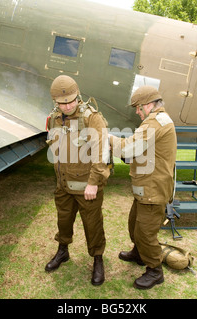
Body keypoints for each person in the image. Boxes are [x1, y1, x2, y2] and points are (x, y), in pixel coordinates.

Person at [45, 75, 110, 286]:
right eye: (62, 103)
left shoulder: (92, 118)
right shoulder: (55, 117)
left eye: (71, 101)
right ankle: (62, 251)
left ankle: (97, 259)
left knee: (93, 225)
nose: (67, 106)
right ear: (55, 101)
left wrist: (93, 183)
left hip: (87, 187)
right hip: (63, 185)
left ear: (78, 95)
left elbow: (102, 154)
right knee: (63, 221)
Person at [110, 85, 177, 290]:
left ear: (148, 105)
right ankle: (139, 253)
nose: (137, 113)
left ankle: (155, 271)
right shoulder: (154, 120)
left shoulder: (155, 122)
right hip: (146, 187)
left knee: (146, 233)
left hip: (153, 190)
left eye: (138, 108)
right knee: (135, 225)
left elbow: (130, 148)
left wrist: (107, 138)